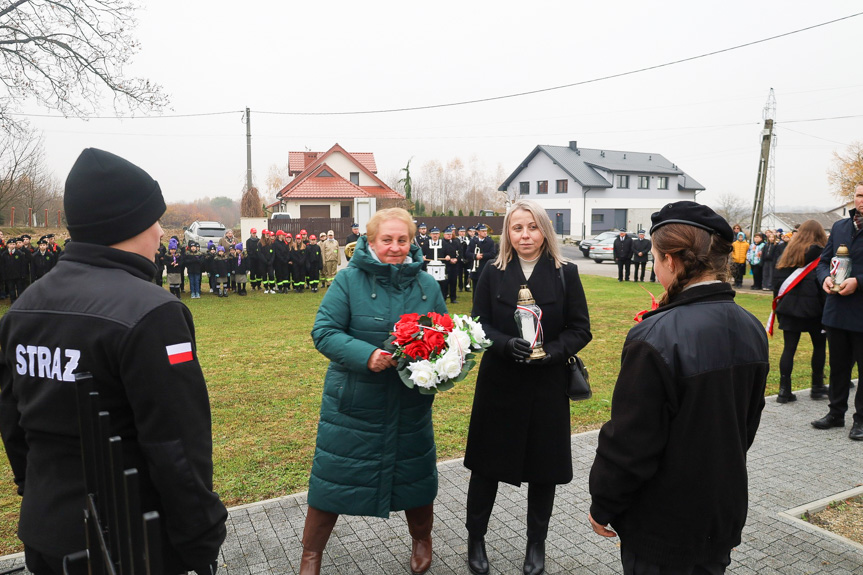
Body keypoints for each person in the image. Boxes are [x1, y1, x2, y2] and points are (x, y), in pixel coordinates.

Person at [0, 148, 227, 574]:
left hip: (47, 530)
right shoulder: (152, 312)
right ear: (129, 224)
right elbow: (176, 444)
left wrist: (38, 493)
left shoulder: (24, 308)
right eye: (154, 220)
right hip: (130, 540)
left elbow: (13, 423)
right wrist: (202, 538)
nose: (161, 232)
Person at [588, 201, 769, 575]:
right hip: (721, 512)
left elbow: (631, 441)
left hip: (662, 524)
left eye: (655, 258)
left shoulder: (655, 336)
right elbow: (746, 426)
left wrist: (604, 502)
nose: (654, 268)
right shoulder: (752, 327)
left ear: (671, 260)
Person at [301, 207, 447, 575]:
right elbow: (324, 332)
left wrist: (440, 363)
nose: (395, 248)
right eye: (387, 240)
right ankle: (311, 554)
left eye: (403, 240)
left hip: (408, 403)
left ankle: (422, 539)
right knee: (332, 482)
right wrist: (367, 356)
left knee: (416, 481)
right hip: (354, 405)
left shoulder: (427, 286)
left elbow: (444, 336)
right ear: (370, 240)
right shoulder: (348, 280)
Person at [464, 199, 591, 575]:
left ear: (545, 231)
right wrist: (504, 343)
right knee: (485, 468)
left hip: (546, 385)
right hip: (500, 384)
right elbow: (479, 324)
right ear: (507, 232)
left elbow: (580, 328)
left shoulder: (565, 272)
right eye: (517, 228)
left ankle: (536, 545)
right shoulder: (492, 270)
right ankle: (476, 538)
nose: (525, 235)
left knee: (543, 469)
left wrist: (551, 351)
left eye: (532, 227)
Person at [813, 183, 863, 441]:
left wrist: (859, 281)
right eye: (859, 195)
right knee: (838, 367)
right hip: (836, 311)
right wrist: (824, 279)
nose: (862, 200)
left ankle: (861, 421)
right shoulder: (841, 227)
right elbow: (824, 261)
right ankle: (835, 413)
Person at [771, 220, 827, 402]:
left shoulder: (787, 252)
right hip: (815, 310)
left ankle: (783, 391)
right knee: (819, 346)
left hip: (788, 308)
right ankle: (817, 386)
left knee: (789, 348)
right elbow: (823, 284)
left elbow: (777, 283)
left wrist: (778, 306)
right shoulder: (823, 253)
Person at [466, 224, 495, 293]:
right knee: (476, 289)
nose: (485, 232)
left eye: (485, 231)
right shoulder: (473, 241)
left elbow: (493, 254)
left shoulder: (490, 241)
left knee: (486, 289)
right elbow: (467, 253)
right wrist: (475, 256)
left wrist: (482, 255)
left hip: (485, 267)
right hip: (476, 269)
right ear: (478, 232)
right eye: (483, 231)